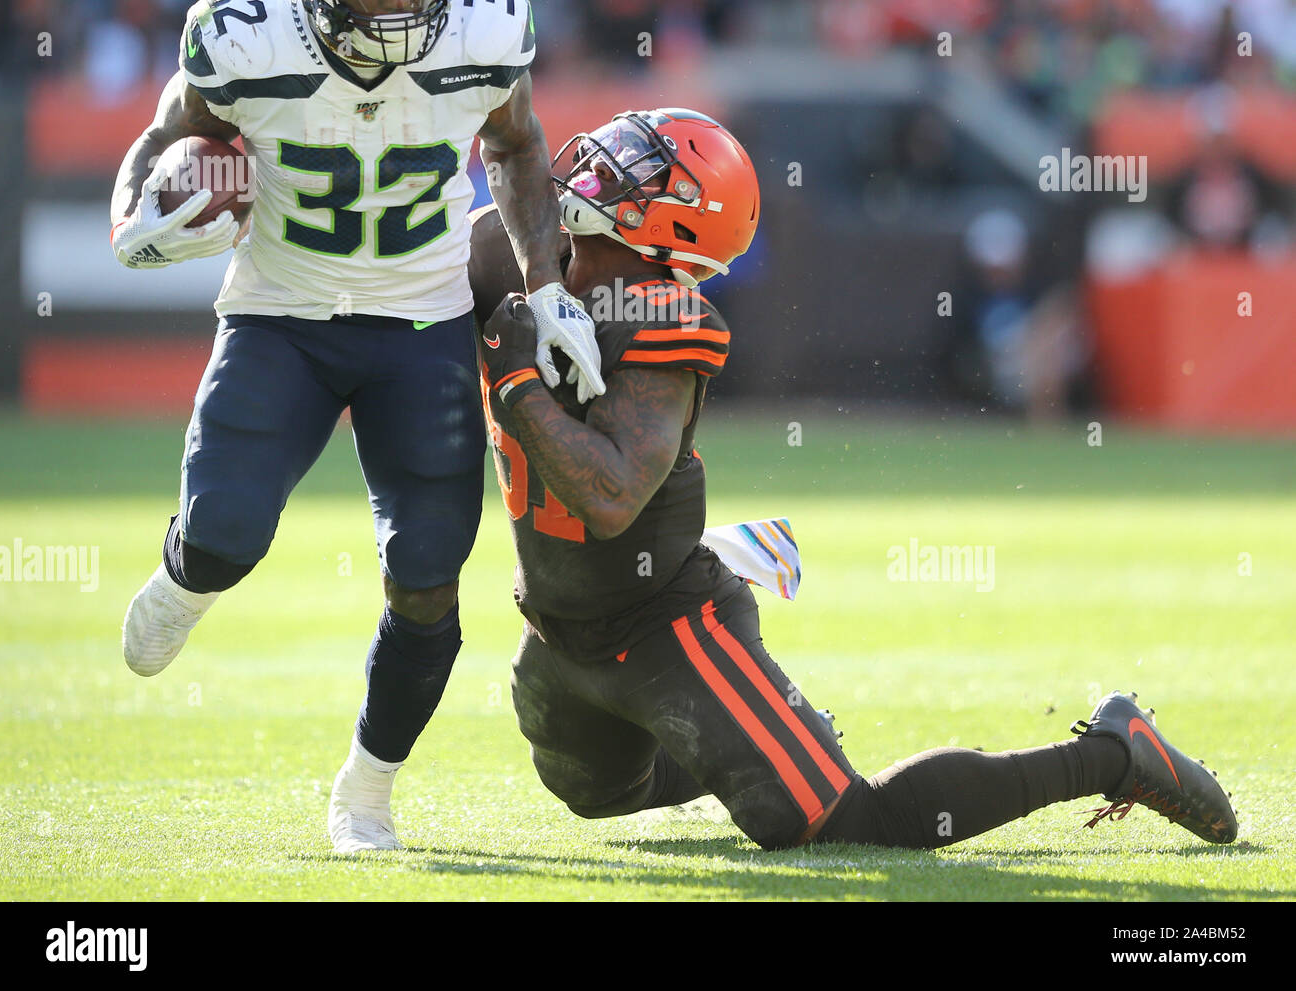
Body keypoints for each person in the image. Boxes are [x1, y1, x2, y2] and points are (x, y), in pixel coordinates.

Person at [469, 107, 1237, 851]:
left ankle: (1113, 753)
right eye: (614, 149)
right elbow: (506, 163)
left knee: (842, 822)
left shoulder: (661, 312)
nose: (601, 166)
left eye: (636, 166)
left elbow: (609, 498)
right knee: (598, 791)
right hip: (559, 623)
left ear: (677, 218)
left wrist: (517, 383)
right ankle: (783, 739)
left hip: (663, 623)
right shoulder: (523, 258)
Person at [109, 0, 605, 853]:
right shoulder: (244, 33)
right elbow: (166, 137)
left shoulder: (484, 21)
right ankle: (182, 581)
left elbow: (513, 144)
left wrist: (546, 287)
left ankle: (366, 790)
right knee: (223, 536)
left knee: (428, 578)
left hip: (420, 324)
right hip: (281, 313)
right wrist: (133, 218)